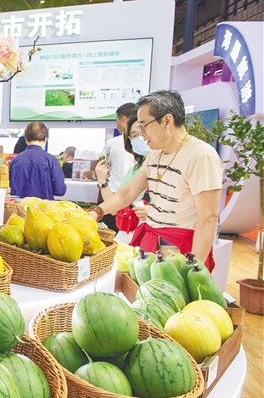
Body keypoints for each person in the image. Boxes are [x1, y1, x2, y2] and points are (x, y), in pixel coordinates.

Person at [87, 90, 222, 271]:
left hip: (179, 251)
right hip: (151, 244)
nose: (141, 133)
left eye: (144, 126)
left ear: (167, 120)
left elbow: (208, 217)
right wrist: (96, 212)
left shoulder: (201, 155)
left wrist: (194, 268)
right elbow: (128, 192)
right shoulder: (155, 155)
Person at [95, 116, 150, 241]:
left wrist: (154, 212)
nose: (141, 137)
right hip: (131, 231)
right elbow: (116, 205)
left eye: (143, 131)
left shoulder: (168, 165)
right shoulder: (134, 170)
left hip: (157, 233)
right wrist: (102, 180)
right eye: (134, 135)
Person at [97, 102, 138, 231]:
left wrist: (101, 180)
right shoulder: (145, 147)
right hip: (132, 198)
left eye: (116, 121)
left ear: (124, 119)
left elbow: (104, 166)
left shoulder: (113, 143)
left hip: (114, 194)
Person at [9, 122, 66, 200]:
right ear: (45, 139)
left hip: (20, 206)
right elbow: (60, 190)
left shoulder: (16, 160)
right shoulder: (51, 160)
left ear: (26, 139)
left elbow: (11, 187)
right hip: (44, 206)